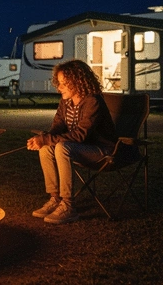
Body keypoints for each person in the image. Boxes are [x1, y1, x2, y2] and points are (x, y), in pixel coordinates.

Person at [27, 59, 117, 224]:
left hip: (104, 151)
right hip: (81, 148)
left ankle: (68, 206)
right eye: (59, 83)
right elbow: (57, 128)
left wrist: (46, 139)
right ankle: (55, 199)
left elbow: (80, 135)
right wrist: (42, 139)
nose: (59, 87)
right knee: (46, 148)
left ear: (78, 81)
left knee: (62, 147)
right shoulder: (65, 102)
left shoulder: (92, 101)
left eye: (64, 83)